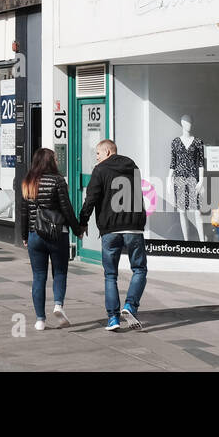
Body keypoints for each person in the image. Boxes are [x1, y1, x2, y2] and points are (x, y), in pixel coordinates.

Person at [80, 139, 148, 331]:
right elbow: (138, 196)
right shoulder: (132, 166)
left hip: (110, 229)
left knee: (111, 275)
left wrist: (82, 222)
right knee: (139, 269)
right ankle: (130, 306)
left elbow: (91, 198)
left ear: (108, 152)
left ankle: (113, 318)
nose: (97, 158)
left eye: (98, 154)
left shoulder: (100, 170)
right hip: (133, 228)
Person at [17, 147, 82, 332]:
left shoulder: (28, 181)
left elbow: (23, 212)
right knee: (60, 272)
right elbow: (66, 208)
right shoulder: (58, 180)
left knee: (38, 276)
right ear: (50, 161)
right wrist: (77, 229)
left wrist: (24, 235)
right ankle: (58, 305)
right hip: (57, 233)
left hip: (34, 234)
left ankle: (40, 320)